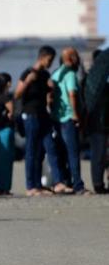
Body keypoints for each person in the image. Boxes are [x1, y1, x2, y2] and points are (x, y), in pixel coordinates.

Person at [15, 46, 71, 196]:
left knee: (50, 147)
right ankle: (30, 186)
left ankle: (58, 183)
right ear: (43, 57)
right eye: (50, 60)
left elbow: (48, 96)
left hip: (43, 115)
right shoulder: (28, 73)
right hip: (30, 115)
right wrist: (27, 82)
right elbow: (17, 94)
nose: (51, 63)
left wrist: (51, 90)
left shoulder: (45, 74)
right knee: (32, 151)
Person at [50, 48, 89, 195]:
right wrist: (75, 114)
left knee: (62, 153)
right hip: (68, 118)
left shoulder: (56, 74)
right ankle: (78, 185)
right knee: (73, 153)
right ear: (71, 58)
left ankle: (65, 182)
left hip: (57, 119)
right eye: (77, 56)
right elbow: (72, 94)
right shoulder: (71, 74)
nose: (78, 59)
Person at [86, 49, 109, 193]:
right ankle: (98, 184)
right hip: (98, 122)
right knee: (99, 153)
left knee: (99, 154)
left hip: (98, 121)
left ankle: (99, 183)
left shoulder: (94, 79)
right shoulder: (94, 82)